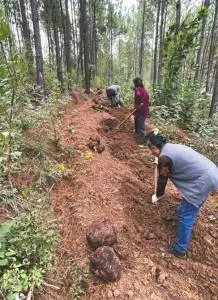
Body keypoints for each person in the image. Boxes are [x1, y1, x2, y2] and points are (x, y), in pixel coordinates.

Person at [147, 134, 218, 258]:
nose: (152, 153)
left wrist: (158, 195)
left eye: (151, 151)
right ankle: (183, 216)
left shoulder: (165, 159)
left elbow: (162, 180)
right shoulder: (170, 148)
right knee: (190, 206)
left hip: (204, 179)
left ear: (154, 148)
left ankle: (180, 249)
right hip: (211, 171)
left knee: (187, 213)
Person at [133, 77, 150, 143]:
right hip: (143, 109)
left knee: (141, 126)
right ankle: (137, 134)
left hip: (141, 110)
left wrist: (137, 106)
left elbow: (138, 96)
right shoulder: (144, 90)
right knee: (136, 119)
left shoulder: (138, 89)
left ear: (135, 83)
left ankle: (145, 141)